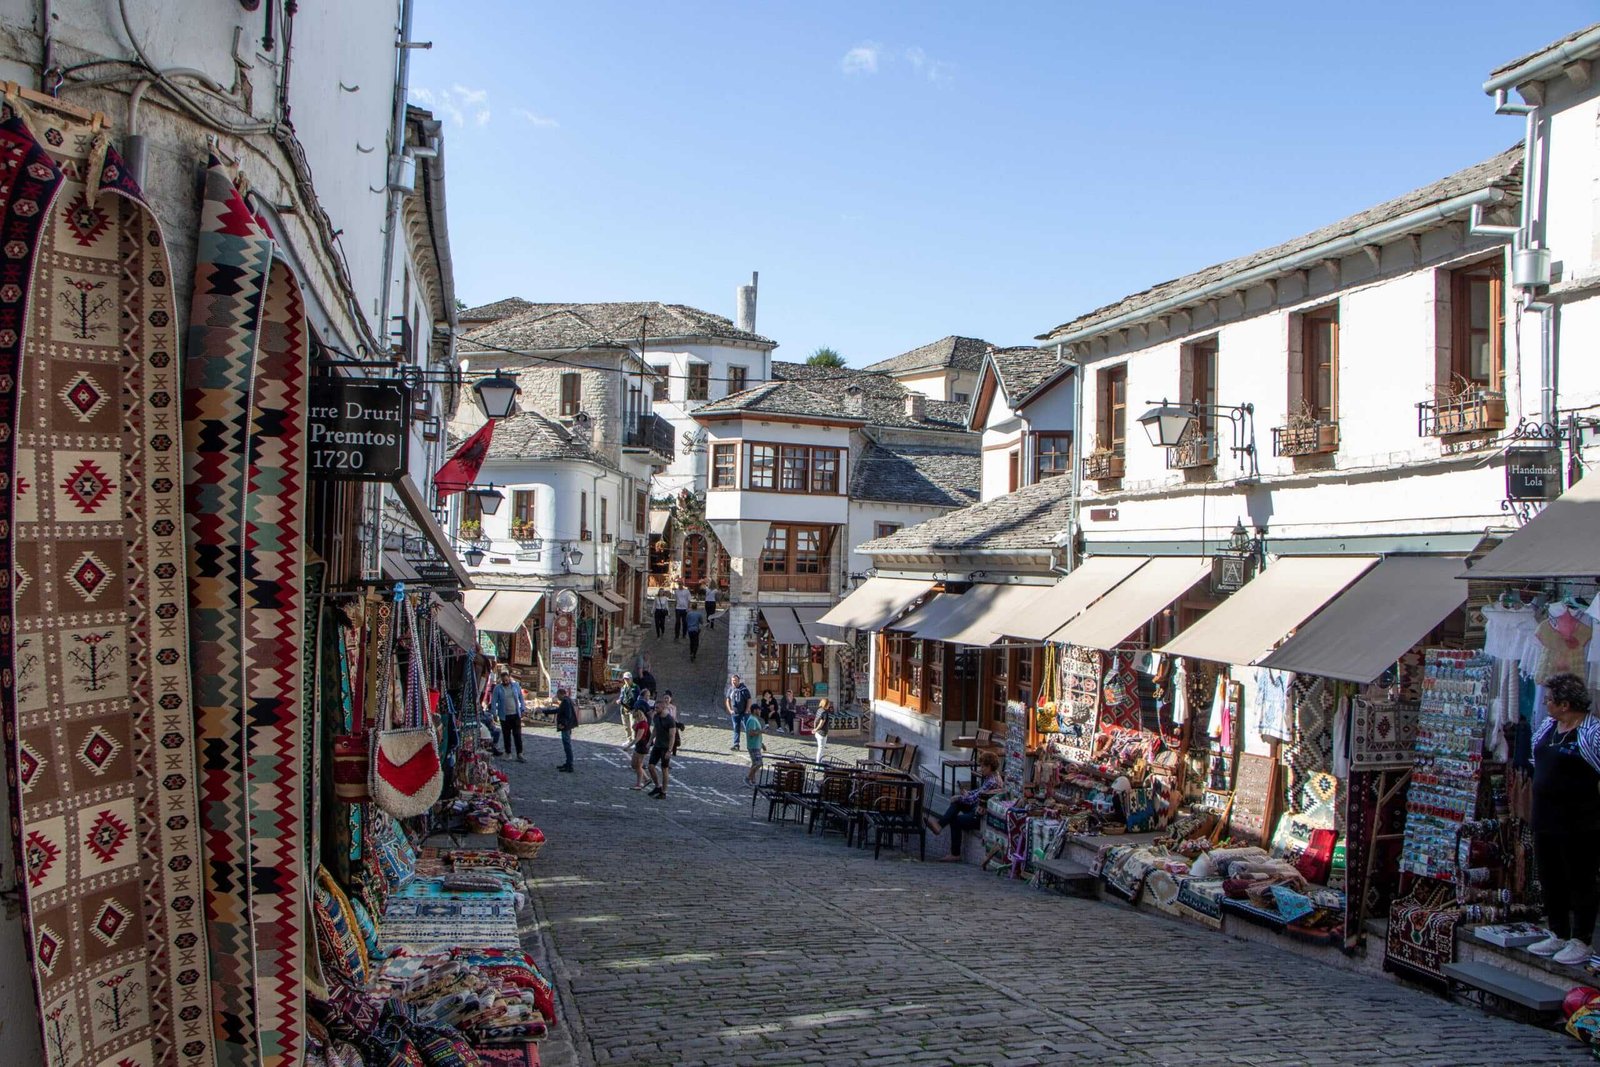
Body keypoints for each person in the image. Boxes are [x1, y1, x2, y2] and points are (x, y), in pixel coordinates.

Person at [1528, 673, 1600, 965]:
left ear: (1566, 704)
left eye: (1549, 700)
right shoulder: (1548, 727)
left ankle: (1581, 940)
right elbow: (1537, 760)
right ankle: (1557, 931)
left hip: (1579, 820)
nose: (1545, 704)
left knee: (1580, 878)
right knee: (1550, 876)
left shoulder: (1592, 732)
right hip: (1545, 817)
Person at [925, 751, 1003, 862]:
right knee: (957, 803)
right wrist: (967, 794)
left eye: (983, 766)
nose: (981, 769)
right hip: (977, 807)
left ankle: (955, 854)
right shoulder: (992, 777)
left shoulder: (992, 781)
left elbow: (974, 799)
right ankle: (939, 825)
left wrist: (958, 797)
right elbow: (978, 792)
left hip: (980, 816)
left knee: (956, 819)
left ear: (990, 766)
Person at [488, 668, 527, 762]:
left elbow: (521, 698)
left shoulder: (515, 686)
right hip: (504, 715)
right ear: (501, 680)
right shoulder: (498, 688)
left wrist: (523, 709)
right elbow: (494, 701)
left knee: (517, 734)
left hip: (515, 714)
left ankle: (519, 753)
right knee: (506, 735)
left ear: (509, 678)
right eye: (504, 680)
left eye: (507, 680)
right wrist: (494, 713)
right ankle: (508, 753)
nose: (505, 682)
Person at [647, 693, 681, 799]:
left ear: (663, 708)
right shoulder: (656, 717)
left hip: (666, 747)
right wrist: (649, 741)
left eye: (657, 708)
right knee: (651, 766)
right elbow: (655, 730)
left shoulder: (670, 720)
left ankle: (664, 792)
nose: (655, 709)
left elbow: (672, 736)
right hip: (657, 745)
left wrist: (669, 751)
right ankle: (657, 786)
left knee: (664, 769)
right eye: (655, 707)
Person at [546, 687, 577, 772]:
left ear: (561, 694)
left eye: (558, 695)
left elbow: (568, 715)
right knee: (567, 745)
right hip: (567, 726)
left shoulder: (566, 702)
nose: (557, 696)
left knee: (567, 745)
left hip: (565, 727)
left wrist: (563, 724)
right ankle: (568, 763)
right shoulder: (566, 701)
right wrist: (545, 711)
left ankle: (569, 765)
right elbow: (558, 711)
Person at [726, 674, 752, 751]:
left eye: (735, 680)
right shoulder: (730, 689)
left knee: (748, 729)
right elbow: (728, 700)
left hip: (744, 713)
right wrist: (730, 710)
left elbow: (749, 700)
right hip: (735, 713)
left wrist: (747, 710)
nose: (734, 682)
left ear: (738, 681)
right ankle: (736, 744)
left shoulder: (744, 689)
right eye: (732, 681)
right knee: (736, 729)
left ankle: (752, 744)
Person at [628, 706, 652, 789]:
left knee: (638, 765)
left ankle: (639, 784)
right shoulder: (640, 723)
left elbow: (638, 737)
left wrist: (629, 746)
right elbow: (634, 727)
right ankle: (646, 779)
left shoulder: (642, 724)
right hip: (639, 746)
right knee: (634, 765)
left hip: (642, 746)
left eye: (634, 717)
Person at [743, 704, 765, 785]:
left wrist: (762, 744)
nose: (760, 711)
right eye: (759, 710)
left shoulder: (754, 719)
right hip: (753, 746)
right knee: (758, 763)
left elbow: (756, 734)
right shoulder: (752, 720)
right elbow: (751, 733)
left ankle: (752, 780)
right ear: (755, 710)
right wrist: (761, 731)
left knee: (755, 763)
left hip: (756, 745)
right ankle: (748, 778)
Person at [812, 697, 832, 764]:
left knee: (821, 749)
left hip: (818, 733)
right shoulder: (824, 712)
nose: (829, 705)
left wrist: (815, 729)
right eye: (828, 704)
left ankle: (820, 761)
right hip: (822, 732)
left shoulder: (819, 710)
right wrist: (816, 729)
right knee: (821, 749)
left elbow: (815, 720)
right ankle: (818, 764)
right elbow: (821, 723)